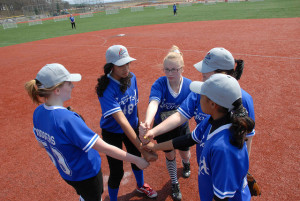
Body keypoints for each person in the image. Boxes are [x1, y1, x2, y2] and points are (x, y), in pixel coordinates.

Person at [24, 63, 150, 201]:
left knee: (85, 195)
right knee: (94, 196)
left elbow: (42, 144)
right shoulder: (67, 119)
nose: (72, 86)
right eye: (69, 83)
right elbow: (104, 147)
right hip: (87, 174)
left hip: (68, 174)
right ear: (57, 90)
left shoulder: (38, 112)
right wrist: (136, 159)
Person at [144, 74, 254, 201]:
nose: (198, 98)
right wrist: (155, 147)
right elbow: (189, 139)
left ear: (213, 104)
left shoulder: (223, 148)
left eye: (202, 95)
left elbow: (221, 198)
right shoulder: (211, 120)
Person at [140, 47, 255, 164]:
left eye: (207, 69)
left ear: (222, 73)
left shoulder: (243, 100)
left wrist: (244, 168)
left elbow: (247, 138)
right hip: (204, 159)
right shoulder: (199, 92)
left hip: (226, 163)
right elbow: (180, 117)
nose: (202, 73)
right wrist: (153, 132)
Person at [95, 45, 158, 201]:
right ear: (111, 66)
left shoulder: (132, 77)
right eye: (120, 65)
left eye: (127, 63)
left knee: (137, 160)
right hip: (112, 132)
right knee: (117, 171)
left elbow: (134, 105)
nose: (126, 68)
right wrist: (142, 149)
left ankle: (141, 185)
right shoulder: (106, 89)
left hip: (132, 127)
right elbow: (122, 122)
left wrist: (139, 129)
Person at [140, 45, 192, 201]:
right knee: (169, 155)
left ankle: (186, 163)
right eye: (166, 69)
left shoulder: (189, 86)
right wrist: (148, 122)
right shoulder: (160, 83)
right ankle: (174, 183)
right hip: (162, 128)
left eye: (174, 70)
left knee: (185, 153)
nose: (169, 73)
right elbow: (154, 103)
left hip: (181, 127)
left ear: (182, 68)